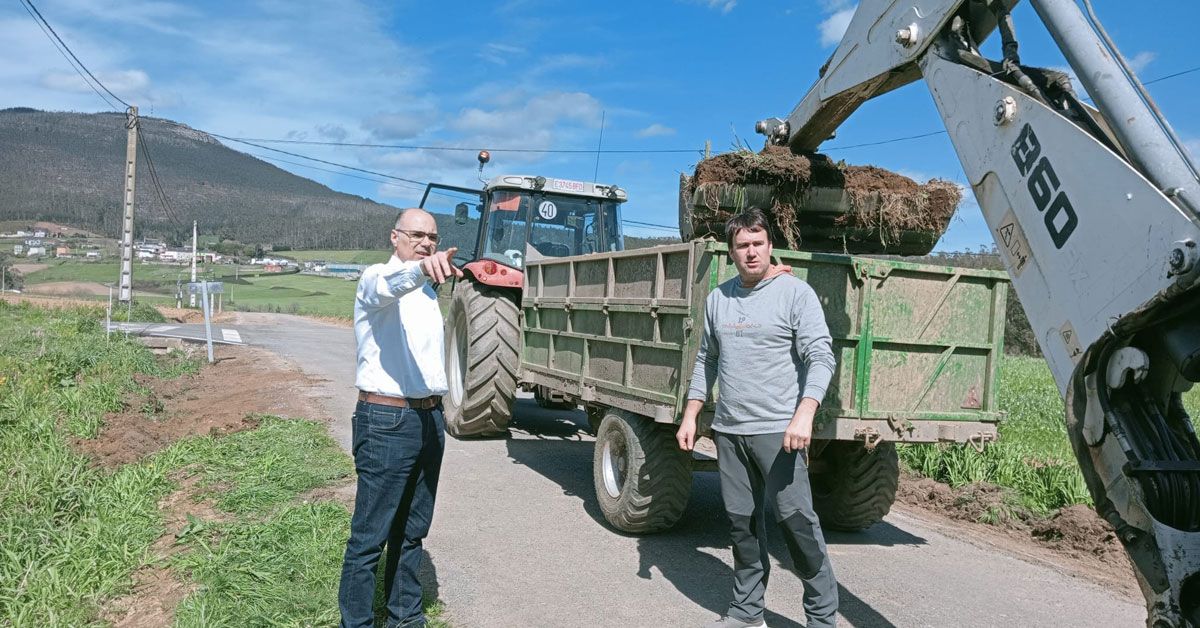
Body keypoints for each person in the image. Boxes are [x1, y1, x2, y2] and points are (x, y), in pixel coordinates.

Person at [677, 208, 839, 628]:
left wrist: (805, 413)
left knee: (797, 525)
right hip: (730, 431)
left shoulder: (794, 294)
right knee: (742, 527)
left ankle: (822, 619)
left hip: (780, 432)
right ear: (731, 252)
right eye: (742, 246)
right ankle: (747, 613)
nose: (751, 252)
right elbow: (706, 359)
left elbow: (821, 356)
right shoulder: (718, 298)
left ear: (771, 246)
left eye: (758, 244)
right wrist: (692, 414)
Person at [339, 208, 463, 628]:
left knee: (412, 531)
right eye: (417, 234)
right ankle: (356, 623)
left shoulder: (428, 294)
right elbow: (391, 285)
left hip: (429, 420)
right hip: (386, 420)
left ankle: (405, 619)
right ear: (395, 237)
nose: (426, 241)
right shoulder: (377, 279)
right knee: (369, 537)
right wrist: (421, 270)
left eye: (432, 236)